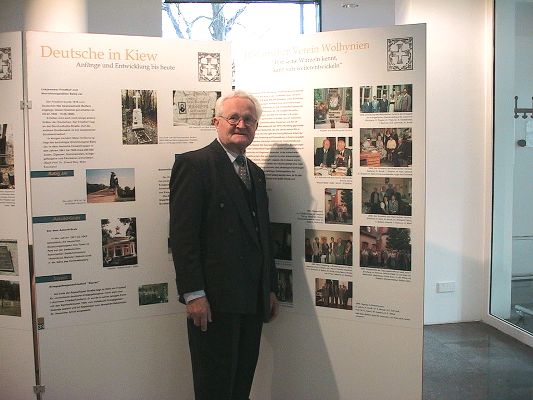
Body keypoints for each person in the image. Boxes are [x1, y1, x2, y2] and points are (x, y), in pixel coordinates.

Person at [169, 90, 279, 400]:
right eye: (233, 118)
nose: (241, 124)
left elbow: (263, 235)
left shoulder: (255, 174)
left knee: (241, 385)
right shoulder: (194, 165)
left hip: (251, 300)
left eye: (249, 119)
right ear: (216, 122)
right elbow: (183, 237)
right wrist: (194, 294)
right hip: (213, 303)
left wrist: (269, 288)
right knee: (214, 388)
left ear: (255, 126)